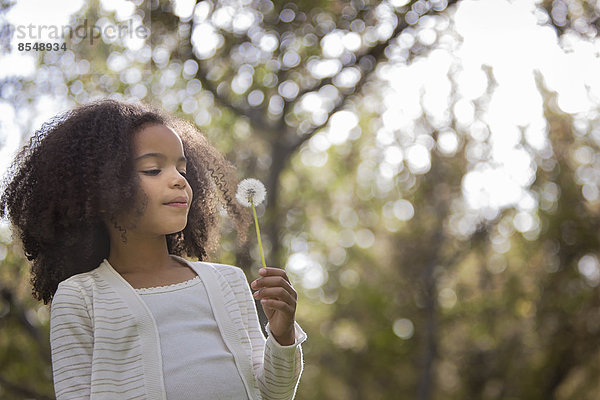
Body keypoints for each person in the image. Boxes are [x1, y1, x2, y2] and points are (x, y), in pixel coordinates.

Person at [0, 99, 306, 399]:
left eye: (182, 169)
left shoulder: (229, 282)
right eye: (152, 170)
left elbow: (273, 394)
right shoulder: (80, 296)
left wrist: (282, 335)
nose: (178, 181)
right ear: (100, 190)